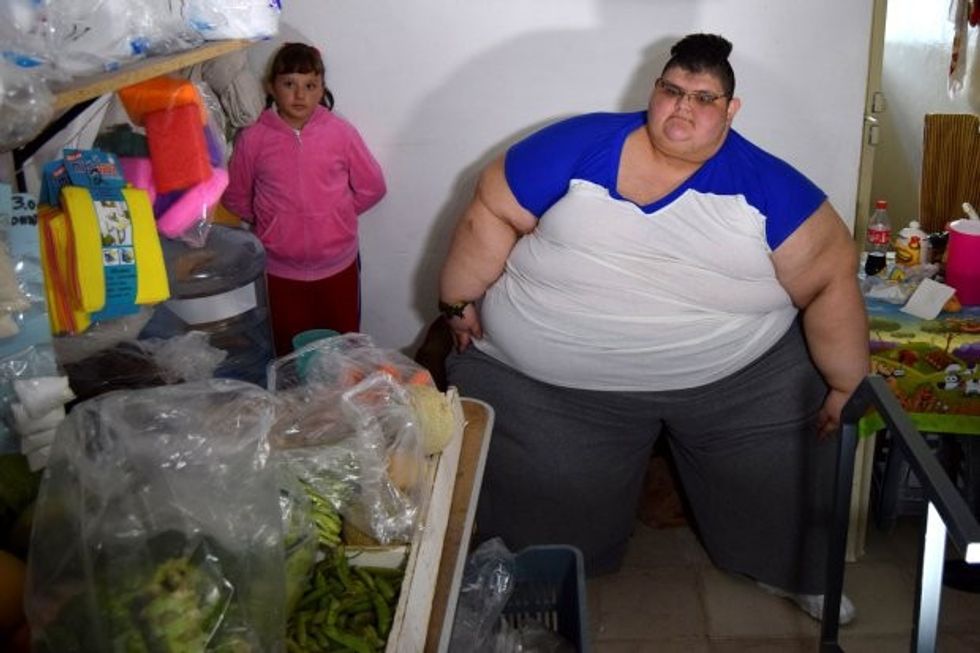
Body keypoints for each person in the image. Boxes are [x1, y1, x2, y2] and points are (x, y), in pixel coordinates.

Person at [437, 33, 869, 623]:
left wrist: (847, 383)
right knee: (547, 489)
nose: (682, 108)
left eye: (703, 97)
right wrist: (457, 300)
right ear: (654, 90)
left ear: (730, 109)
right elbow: (489, 212)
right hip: (548, 384)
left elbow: (830, 280)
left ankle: (791, 571)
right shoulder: (576, 145)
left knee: (779, 465)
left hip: (735, 379)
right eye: (672, 90)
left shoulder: (771, 187)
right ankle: (524, 580)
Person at [221, 42, 386, 355]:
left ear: (322, 88)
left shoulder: (340, 133)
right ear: (271, 87)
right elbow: (236, 196)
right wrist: (269, 221)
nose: (300, 95)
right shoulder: (254, 139)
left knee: (344, 350)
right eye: (289, 84)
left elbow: (373, 186)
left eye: (310, 85)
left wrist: (336, 215)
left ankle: (339, 403)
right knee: (289, 350)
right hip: (280, 270)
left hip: (338, 266)